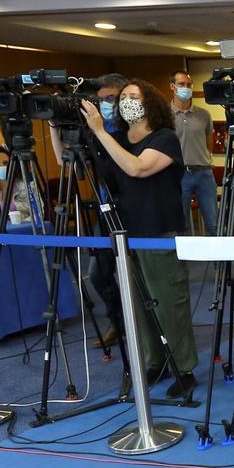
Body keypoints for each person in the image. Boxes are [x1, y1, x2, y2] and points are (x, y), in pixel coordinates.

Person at [53, 78, 200, 399]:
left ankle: (184, 368)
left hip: (159, 231)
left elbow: (137, 168)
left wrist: (101, 132)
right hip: (124, 233)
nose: (126, 102)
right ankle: (155, 361)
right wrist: (56, 126)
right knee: (137, 306)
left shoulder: (164, 138)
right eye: (123, 97)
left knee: (167, 303)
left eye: (133, 96)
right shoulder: (116, 137)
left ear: (150, 103)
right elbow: (70, 164)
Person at [87, 73, 131, 349]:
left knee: (137, 275)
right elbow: (64, 160)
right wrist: (57, 126)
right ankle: (117, 322)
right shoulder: (94, 130)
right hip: (104, 210)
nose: (106, 104)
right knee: (97, 275)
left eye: (111, 99)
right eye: (101, 100)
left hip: (130, 210)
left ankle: (144, 325)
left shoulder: (133, 131)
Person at [169, 70, 218, 236]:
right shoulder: (164, 116)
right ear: (172, 86)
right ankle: (182, 260)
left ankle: (219, 260)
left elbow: (208, 142)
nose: (186, 88)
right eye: (181, 84)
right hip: (179, 174)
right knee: (180, 223)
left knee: (213, 222)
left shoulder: (203, 114)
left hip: (204, 172)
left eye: (189, 85)